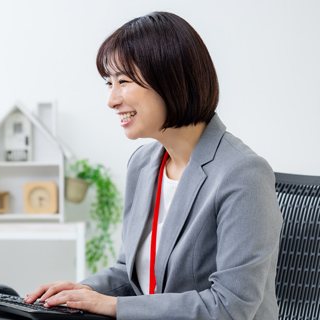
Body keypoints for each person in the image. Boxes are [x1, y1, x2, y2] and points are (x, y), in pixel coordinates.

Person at [24, 12, 282, 319]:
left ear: (170, 79)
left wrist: (113, 306)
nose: (111, 99)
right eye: (109, 82)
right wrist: (78, 294)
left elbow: (231, 307)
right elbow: (128, 275)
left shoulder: (243, 174)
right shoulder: (144, 164)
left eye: (123, 81)